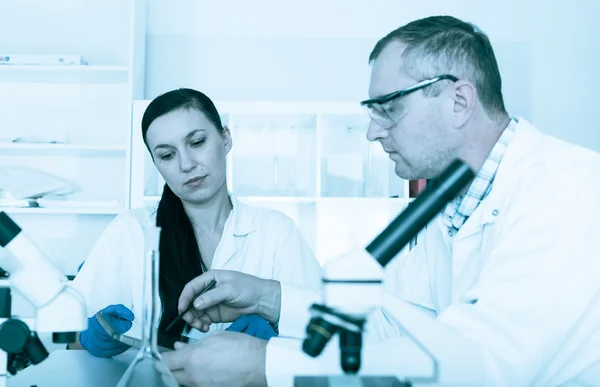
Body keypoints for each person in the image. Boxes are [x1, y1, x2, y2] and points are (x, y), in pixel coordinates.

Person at [160, 15, 600, 386]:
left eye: (388, 107)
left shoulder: (567, 189)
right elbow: (391, 327)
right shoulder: (447, 208)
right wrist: (264, 297)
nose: (372, 132)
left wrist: (266, 366)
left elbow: (480, 367)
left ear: (459, 100)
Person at [70, 88, 323, 357]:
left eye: (197, 142)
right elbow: (68, 337)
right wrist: (89, 338)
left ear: (225, 139)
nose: (187, 164)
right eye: (167, 155)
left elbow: (331, 332)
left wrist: (272, 332)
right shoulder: (130, 231)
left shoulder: (275, 232)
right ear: (157, 165)